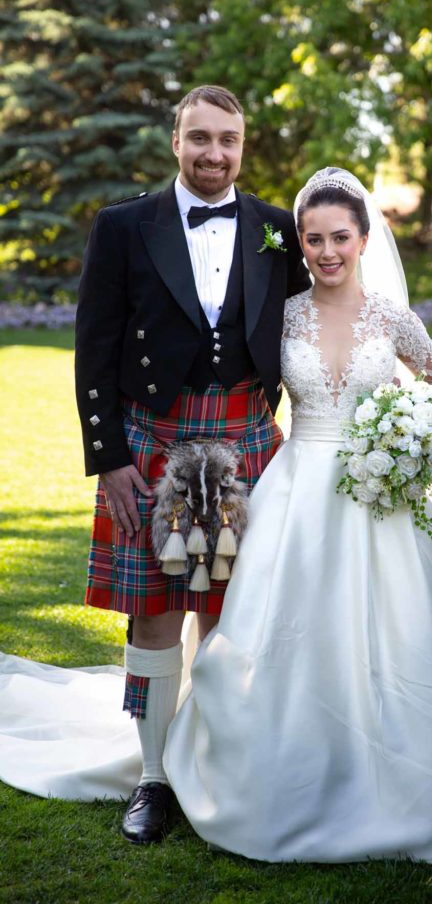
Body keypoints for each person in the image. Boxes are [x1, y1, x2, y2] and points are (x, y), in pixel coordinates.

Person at [161, 167, 432, 863]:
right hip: (296, 487)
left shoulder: (390, 317)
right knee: (284, 628)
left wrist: (408, 436)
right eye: (312, 239)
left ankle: (403, 770)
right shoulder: (284, 313)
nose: (326, 251)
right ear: (299, 244)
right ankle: (280, 762)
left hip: (376, 491)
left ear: (364, 238)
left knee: (399, 633)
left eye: (339, 237)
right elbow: (245, 383)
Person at [73, 84, 310, 844]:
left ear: (245, 147)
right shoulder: (124, 227)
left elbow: (316, 321)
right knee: (156, 614)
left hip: (247, 440)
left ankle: (218, 759)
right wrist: (108, 457)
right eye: (199, 137)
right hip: (150, 443)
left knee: (232, 616)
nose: (214, 153)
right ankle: (153, 777)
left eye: (228, 141)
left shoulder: (278, 230)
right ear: (175, 140)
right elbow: (93, 348)